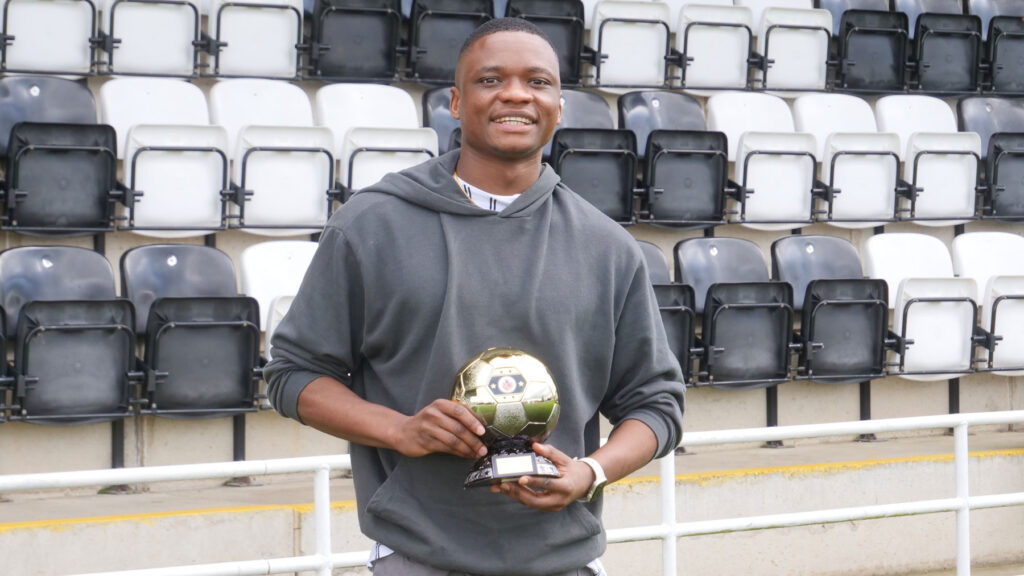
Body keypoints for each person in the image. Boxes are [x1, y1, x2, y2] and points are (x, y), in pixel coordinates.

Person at [264, 17, 685, 576]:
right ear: (457, 103)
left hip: (563, 558)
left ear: (558, 105)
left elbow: (655, 405)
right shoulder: (371, 225)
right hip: (417, 554)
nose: (516, 93)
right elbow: (293, 375)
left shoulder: (608, 248)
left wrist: (590, 472)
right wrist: (400, 429)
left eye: (537, 82)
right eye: (491, 80)